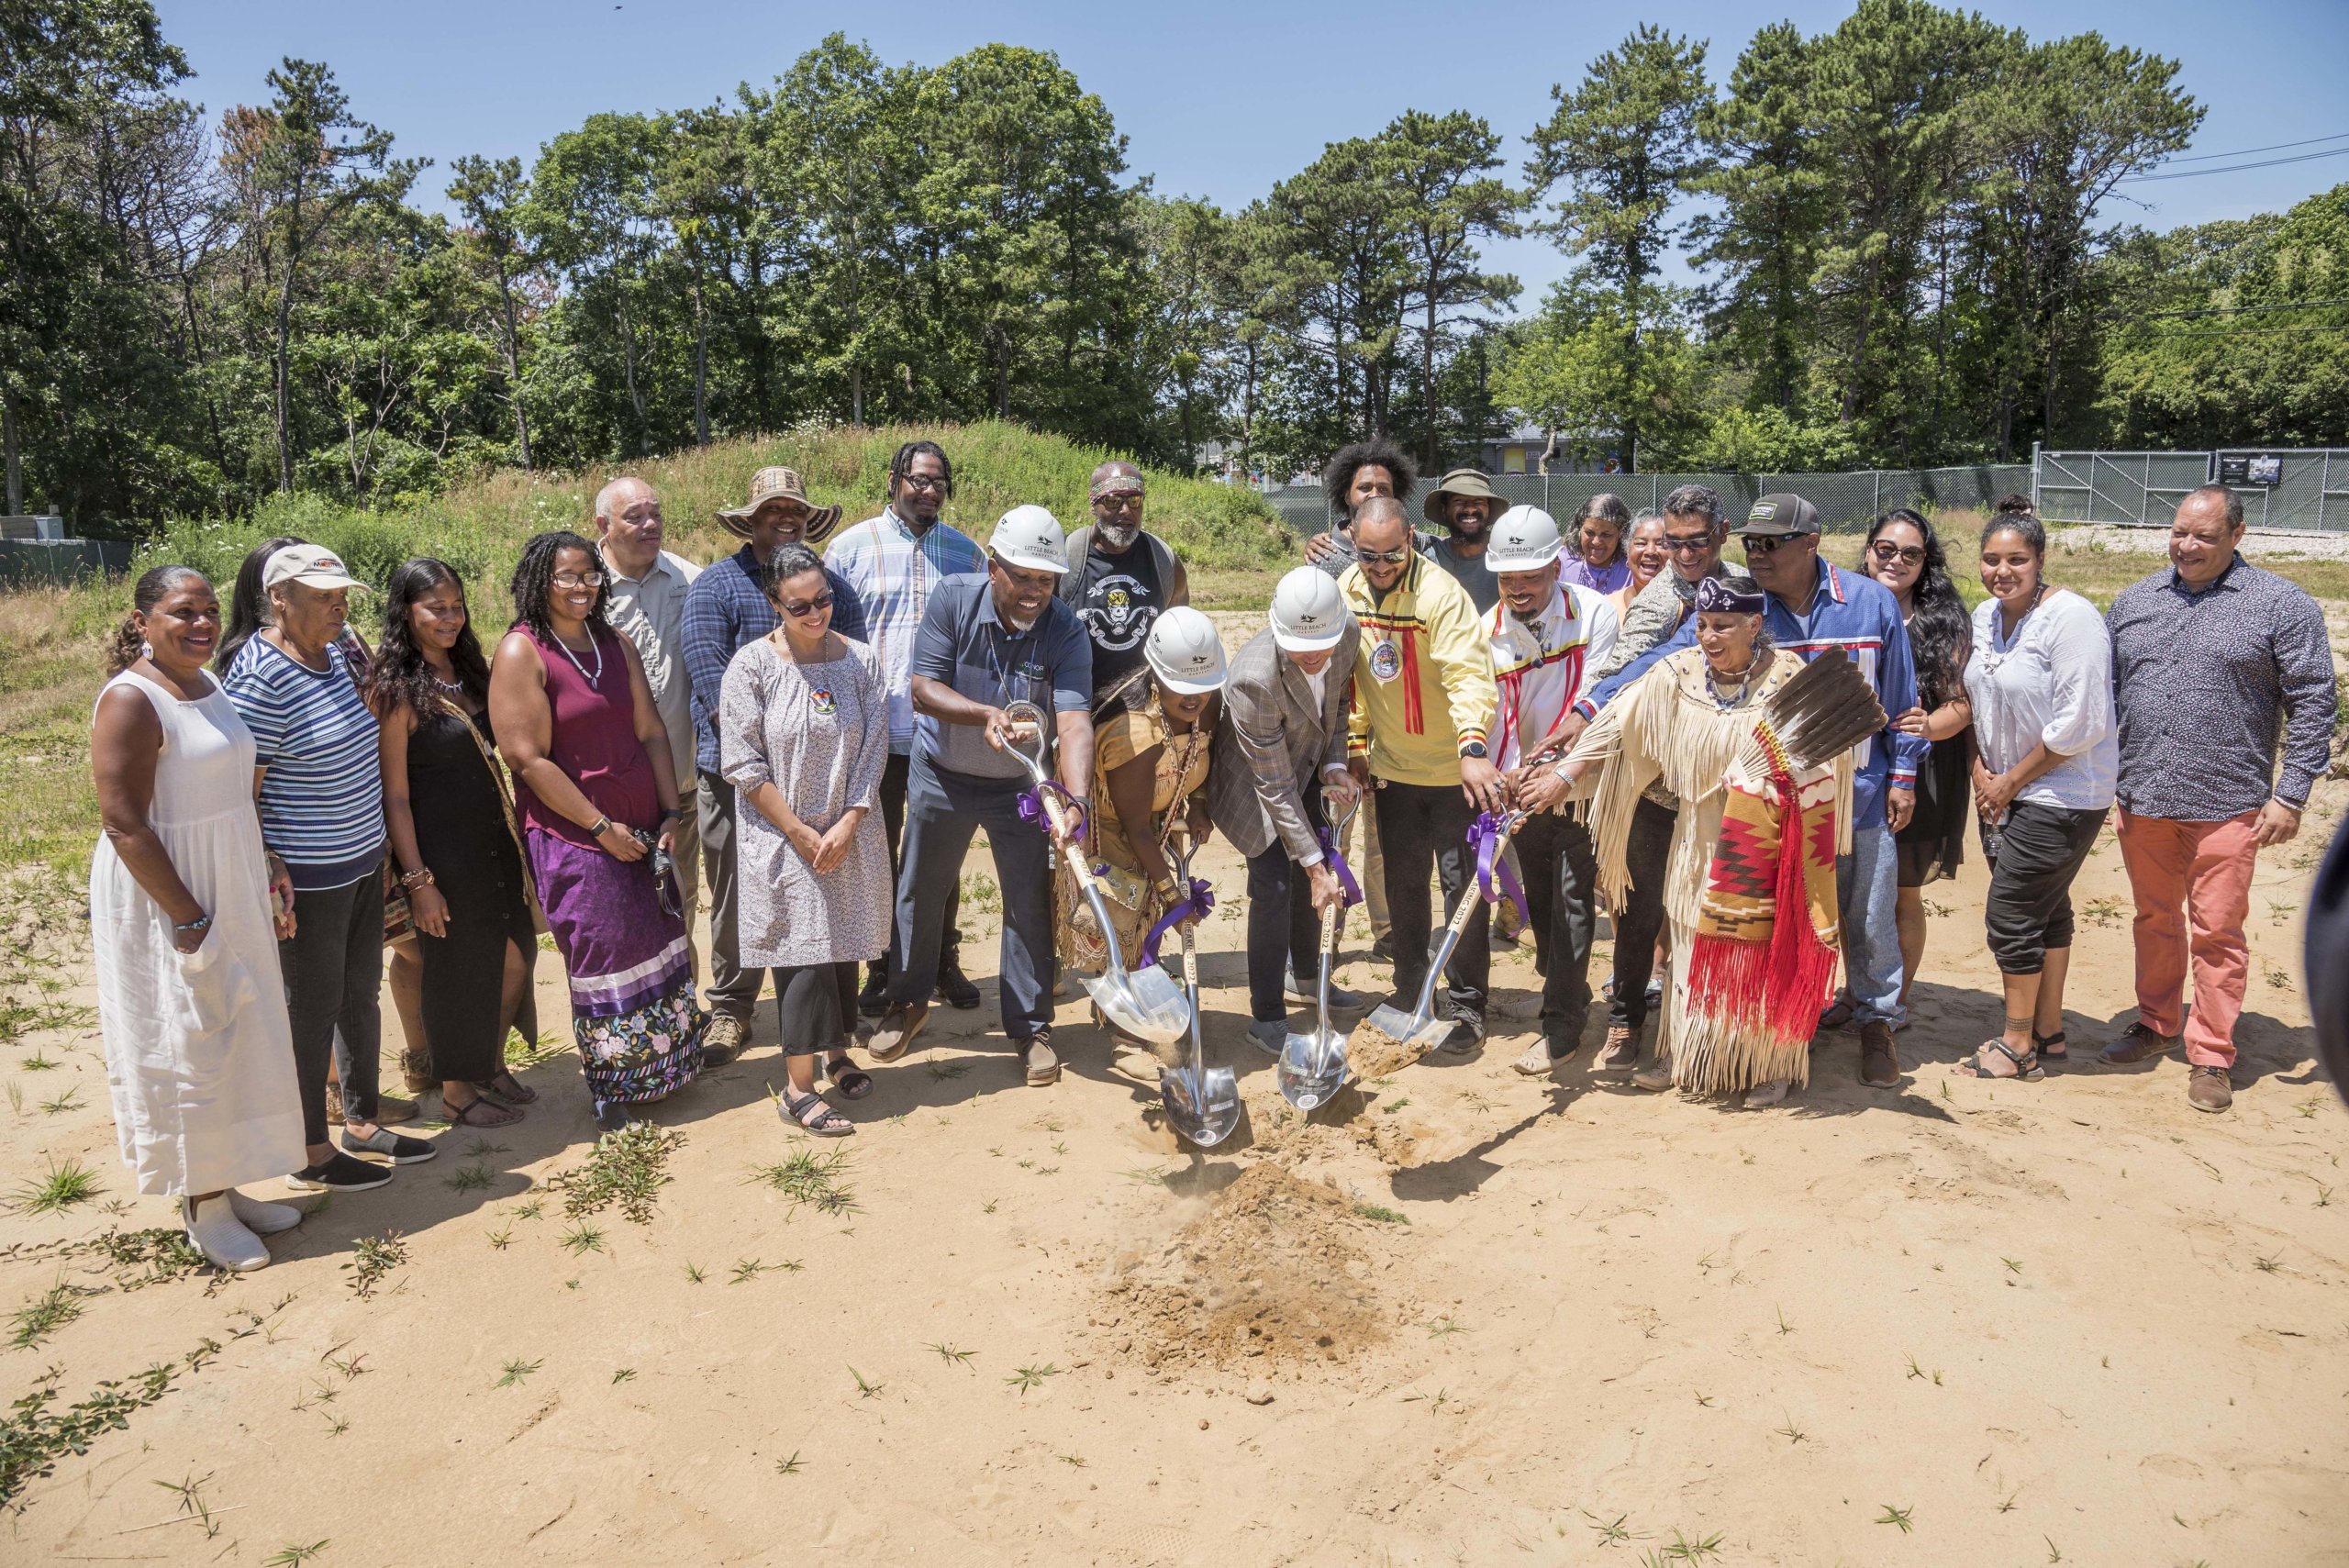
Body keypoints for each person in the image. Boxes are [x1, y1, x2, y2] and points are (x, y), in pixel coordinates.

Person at [1586, 493, 1925, 1093]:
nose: (1758, 553)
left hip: (1861, 795)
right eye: (1752, 543)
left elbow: (1900, 703)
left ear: (1811, 543)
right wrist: (1594, 703)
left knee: (1863, 922)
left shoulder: (1869, 603)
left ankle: (1876, 1022)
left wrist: (1902, 778)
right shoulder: (1746, 604)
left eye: (1772, 543)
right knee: (1777, 929)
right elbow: (1671, 657)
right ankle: (1779, 1035)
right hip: (1767, 820)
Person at [1555, 577, 1863, 1107]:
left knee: (1761, 948)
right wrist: (1562, 775)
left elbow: (1828, 764)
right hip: (1695, 841)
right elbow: (1618, 723)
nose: (1709, 637)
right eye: (1701, 625)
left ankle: (1768, 1063)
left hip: (1763, 845)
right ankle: (1688, 1053)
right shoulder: (1678, 675)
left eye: (1723, 626)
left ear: (1755, 625)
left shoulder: (1790, 678)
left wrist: (1766, 781)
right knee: (1691, 942)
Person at [91, 566, 309, 1270]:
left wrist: (266, 859)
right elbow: (125, 824)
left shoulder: (209, 684)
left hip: (231, 875)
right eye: (183, 612)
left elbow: (231, 786)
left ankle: (230, 1183)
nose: (202, 624)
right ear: (143, 620)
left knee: (237, 1027)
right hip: (171, 891)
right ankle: (202, 1203)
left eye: (210, 610)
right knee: (190, 1039)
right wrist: (189, 919)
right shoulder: (132, 700)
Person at [2099, 484, 2337, 1112]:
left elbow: (2314, 699)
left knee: (2218, 931)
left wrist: (2290, 793)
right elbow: (2106, 695)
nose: (2188, 545)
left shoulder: (2281, 605)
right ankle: (2157, 1022)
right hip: (2142, 796)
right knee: (2154, 919)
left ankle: (2210, 1053)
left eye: (2204, 535)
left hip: (2229, 804)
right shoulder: (2133, 602)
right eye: (2180, 532)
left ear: (2238, 534)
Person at [223, 543, 434, 1189]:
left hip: (362, 859)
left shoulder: (337, 654)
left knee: (357, 997)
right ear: (279, 598)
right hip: (308, 878)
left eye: (343, 596)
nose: (339, 607)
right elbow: (242, 791)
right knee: (311, 1009)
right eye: (323, 598)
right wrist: (266, 869)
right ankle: (308, 1150)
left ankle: (363, 1121)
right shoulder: (259, 675)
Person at [864, 506, 1094, 1085]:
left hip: (1020, 785)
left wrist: (1073, 799)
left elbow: (1073, 722)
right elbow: (922, 688)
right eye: (1022, 576)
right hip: (942, 772)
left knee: (1026, 903)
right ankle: (908, 1003)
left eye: (1046, 580)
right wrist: (984, 715)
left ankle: (1031, 1027)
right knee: (921, 888)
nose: (1034, 591)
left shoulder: (1065, 628)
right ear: (993, 567)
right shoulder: (953, 599)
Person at [491, 531, 705, 1127]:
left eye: (589, 575)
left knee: (657, 942)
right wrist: (601, 825)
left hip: (641, 829)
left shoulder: (615, 643)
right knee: (603, 953)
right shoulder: (523, 651)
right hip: (574, 836)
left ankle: (666, 1069)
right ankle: (614, 1087)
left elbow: (653, 732)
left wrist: (669, 813)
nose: (581, 586)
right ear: (540, 581)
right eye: (567, 576)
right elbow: (527, 758)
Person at [680, 466, 865, 1065]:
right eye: (771, 511)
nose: (785, 519)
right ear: (751, 520)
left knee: (826, 886)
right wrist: (768, 775)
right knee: (741, 891)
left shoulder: (833, 590)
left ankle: (829, 1018)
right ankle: (733, 1008)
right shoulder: (715, 588)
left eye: (795, 511)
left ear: (808, 521)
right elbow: (714, 695)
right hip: (737, 776)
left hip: (821, 780)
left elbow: (855, 678)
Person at [1575, 485, 1748, 1074]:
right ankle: (1625, 1023)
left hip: (1720, 788)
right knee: (1640, 908)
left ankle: (1691, 1031)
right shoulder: (1658, 600)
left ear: (1722, 533)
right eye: (1672, 543)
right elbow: (1623, 671)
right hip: (1656, 785)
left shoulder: (1747, 585)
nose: (1683, 553)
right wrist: (1585, 717)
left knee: (1703, 909)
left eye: (1696, 541)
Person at [718, 542, 891, 1136]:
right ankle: (798, 1087)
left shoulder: (862, 661)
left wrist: (848, 819)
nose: (817, 613)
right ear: (774, 604)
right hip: (781, 832)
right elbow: (742, 762)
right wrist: (798, 829)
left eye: (824, 600)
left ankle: (838, 1051)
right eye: (801, 607)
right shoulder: (752, 667)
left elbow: (873, 748)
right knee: (802, 952)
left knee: (842, 941)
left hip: (849, 827)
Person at [368, 559, 538, 1130]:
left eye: (456, 606)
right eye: (434, 608)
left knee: (516, 953)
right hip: (441, 852)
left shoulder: (473, 672)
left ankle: (489, 1064)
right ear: (406, 612)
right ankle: (455, 1092)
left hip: (495, 840)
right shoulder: (393, 691)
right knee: (456, 968)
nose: (449, 618)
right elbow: (393, 795)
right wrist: (418, 879)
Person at [1951, 510, 2115, 1081]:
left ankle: (2016, 1044)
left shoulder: (2072, 621)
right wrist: (1979, 769)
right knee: (2047, 908)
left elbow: (2081, 723)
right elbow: (1975, 698)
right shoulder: (1984, 617)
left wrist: (2010, 780)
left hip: (2062, 792)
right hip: (1998, 790)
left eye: (2017, 559)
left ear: (2041, 560)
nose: (2003, 571)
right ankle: (2049, 1031)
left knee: (2012, 914)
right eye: (1992, 560)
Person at [825, 441, 987, 1018]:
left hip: (943, 734)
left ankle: (944, 962)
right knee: (878, 856)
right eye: (918, 480)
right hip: (875, 733)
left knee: (939, 855)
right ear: (894, 480)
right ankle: (882, 967)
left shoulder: (967, 555)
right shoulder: (849, 550)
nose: (928, 491)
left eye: (939, 481)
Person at [1340, 497, 1502, 1052]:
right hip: (1392, 773)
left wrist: (1473, 748)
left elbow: (1467, 676)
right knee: (1405, 887)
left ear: (1411, 537)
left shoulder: (1441, 596)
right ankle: (1410, 989)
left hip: (1454, 773)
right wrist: (1357, 745)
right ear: (1352, 543)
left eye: (1391, 554)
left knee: (1462, 889)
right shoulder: (1348, 591)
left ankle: (1466, 1004)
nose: (1381, 567)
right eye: (1368, 556)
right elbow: (1351, 678)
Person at [1471, 507, 1619, 1075]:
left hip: (1582, 781)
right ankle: (1567, 992)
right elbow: (1493, 715)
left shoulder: (1594, 614)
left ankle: (1560, 1030)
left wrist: (1561, 770)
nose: (1519, 589)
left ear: (1557, 565)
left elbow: (1597, 693)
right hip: (1524, 789)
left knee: (1573, 898)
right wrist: (1507, 773)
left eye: (1531, 575)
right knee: (1541, 899)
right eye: (1508, 578)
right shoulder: (1489, 631)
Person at [1057, 607, 1228, 1081]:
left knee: (1145, 916)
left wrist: (1197, 802)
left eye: (1203, 686)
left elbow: (1195, 754)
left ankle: (1140, 1009)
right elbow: (1132, 827)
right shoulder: (1136, 733)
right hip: (1111, 826)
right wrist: (1173, 896)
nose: (1194, 698)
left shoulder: (1206, 700)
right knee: (1123, 921)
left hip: (1154, 817)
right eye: (1182, 687)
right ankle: (1125, 1036)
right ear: (1157, 676)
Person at [1207, 568, 1364, 1055]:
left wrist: (1336, 762)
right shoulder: (1254, 680)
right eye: (1299, 645)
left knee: (1308, 886)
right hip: (1256, 790)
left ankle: (1308, 976)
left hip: (1311, 767)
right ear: (1277, 628)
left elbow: (1336, 703)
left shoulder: (1348, 632)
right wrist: (1316, 865)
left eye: (1322, 644)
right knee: (1276, 889)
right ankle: (1267, 1015)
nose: (1314, 655)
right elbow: (1274, 786)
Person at [1858, 509, 1973, 1014]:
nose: (1896, 561)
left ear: (1926, 563)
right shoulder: (1846, 608)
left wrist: (1927, 726)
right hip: (1855, 767)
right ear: (1868, 550)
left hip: (1919, 770)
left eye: (1911, 554)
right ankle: (1855, 992)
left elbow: (1964, 704)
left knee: (1902, 892)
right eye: (1886, 549)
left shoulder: (1941, 620)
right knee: (1852, 893)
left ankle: (1894, 1001)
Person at [596, 477, 704, 974]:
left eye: (655, 513)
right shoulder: (579, 587)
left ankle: (680, 1017)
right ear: (603, 526)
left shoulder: (691, 580)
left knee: (678, 902)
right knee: (612, 913)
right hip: (607, 793)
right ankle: (624, 1019)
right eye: (635, 516)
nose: (650, 524)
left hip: (680, 785)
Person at [1059, 461, 1191, 701]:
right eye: (1113, 500)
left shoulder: (1165, 563)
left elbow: (1180, 638)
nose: (1126, 510)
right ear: (1093, 504)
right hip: (1076, 704)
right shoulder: (1066, 560)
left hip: (1144, 706)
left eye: (1134, 500)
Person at [1302, 438, 1421, 579]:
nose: (1375, 495)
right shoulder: (1327, 557)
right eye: (1365, 488)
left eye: (1383, 488)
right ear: (1347, 496)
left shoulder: (1412, 543)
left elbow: (1449, 546)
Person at [1414, 467, 1507, 613]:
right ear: (1444, 510)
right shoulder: (1431, 559)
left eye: (1479, 501)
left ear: (1489, 509)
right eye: (1459, 501)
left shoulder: (1508, 555)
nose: (1470, 509)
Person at [1561, 494, 1632, 596]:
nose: (1596, 542)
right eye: (1590, 533)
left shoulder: (1629, 569)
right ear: (1579, 529)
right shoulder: (1562, 562)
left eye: (1606, 535)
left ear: (1621, 534)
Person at [1611, 512, 1668, 624]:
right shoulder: (1607, 605)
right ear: (1627, 551)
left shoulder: (1686, 609)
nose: (1650, 551)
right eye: (1641, 543)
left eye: (1660, 544)